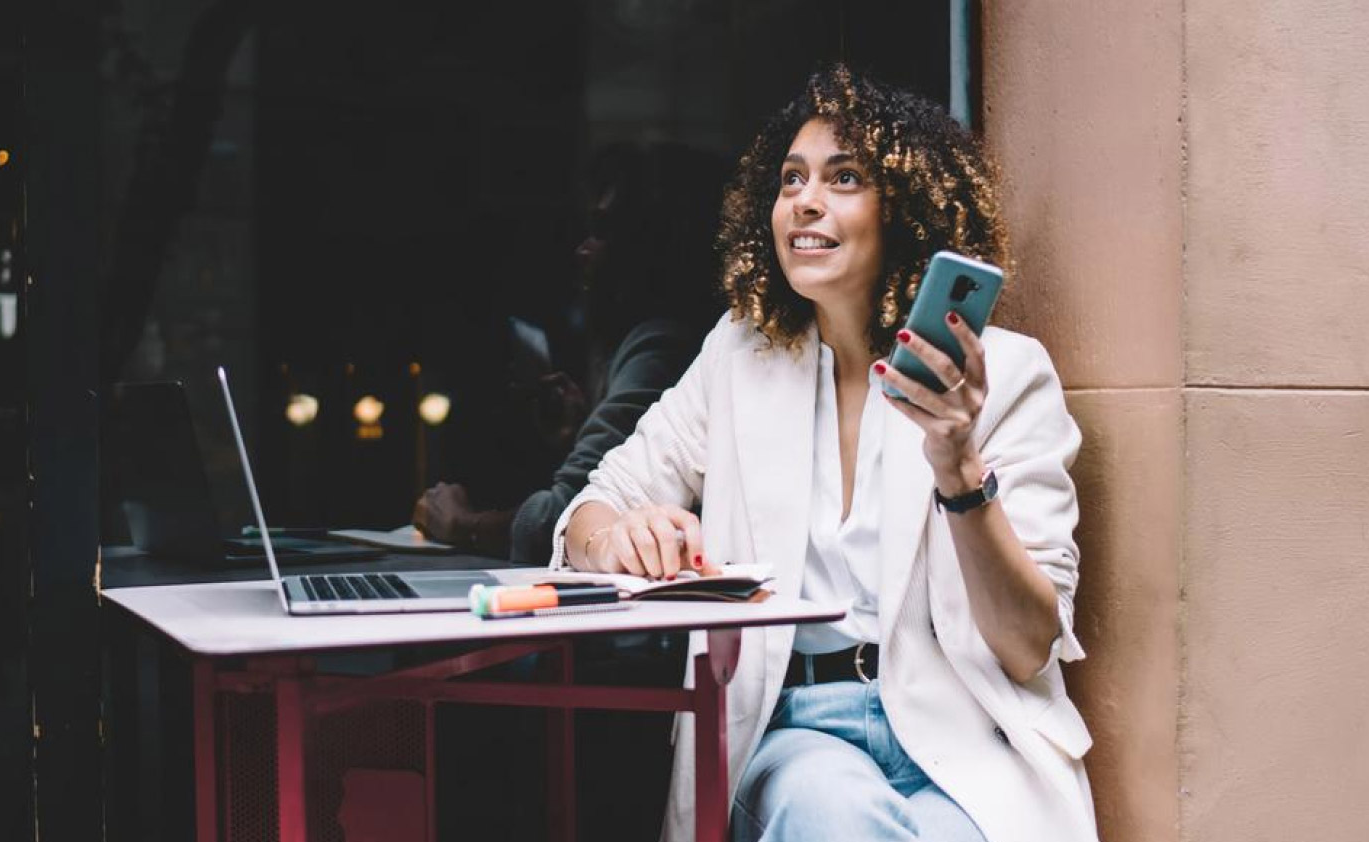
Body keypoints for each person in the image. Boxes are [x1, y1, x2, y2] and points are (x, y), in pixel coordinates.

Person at [552, 65, 1098, 842]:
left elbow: (1026, 647)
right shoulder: (741, 357)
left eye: (844, 179)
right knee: (830, 812)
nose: (805, 200)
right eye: (791, 179)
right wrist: (615, 535)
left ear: (905, 210)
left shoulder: (1006, 377)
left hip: (969, 734)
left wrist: (960, 473)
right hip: (793, 728)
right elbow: (592, 505)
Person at [414, 141, 728, 565]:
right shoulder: (653, 350)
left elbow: (560, 517)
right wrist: (580, 434)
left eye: (601, 231)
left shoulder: (660, 349)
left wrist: (462, 524)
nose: (582, 251)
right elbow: (598, 501)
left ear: (650, 247)